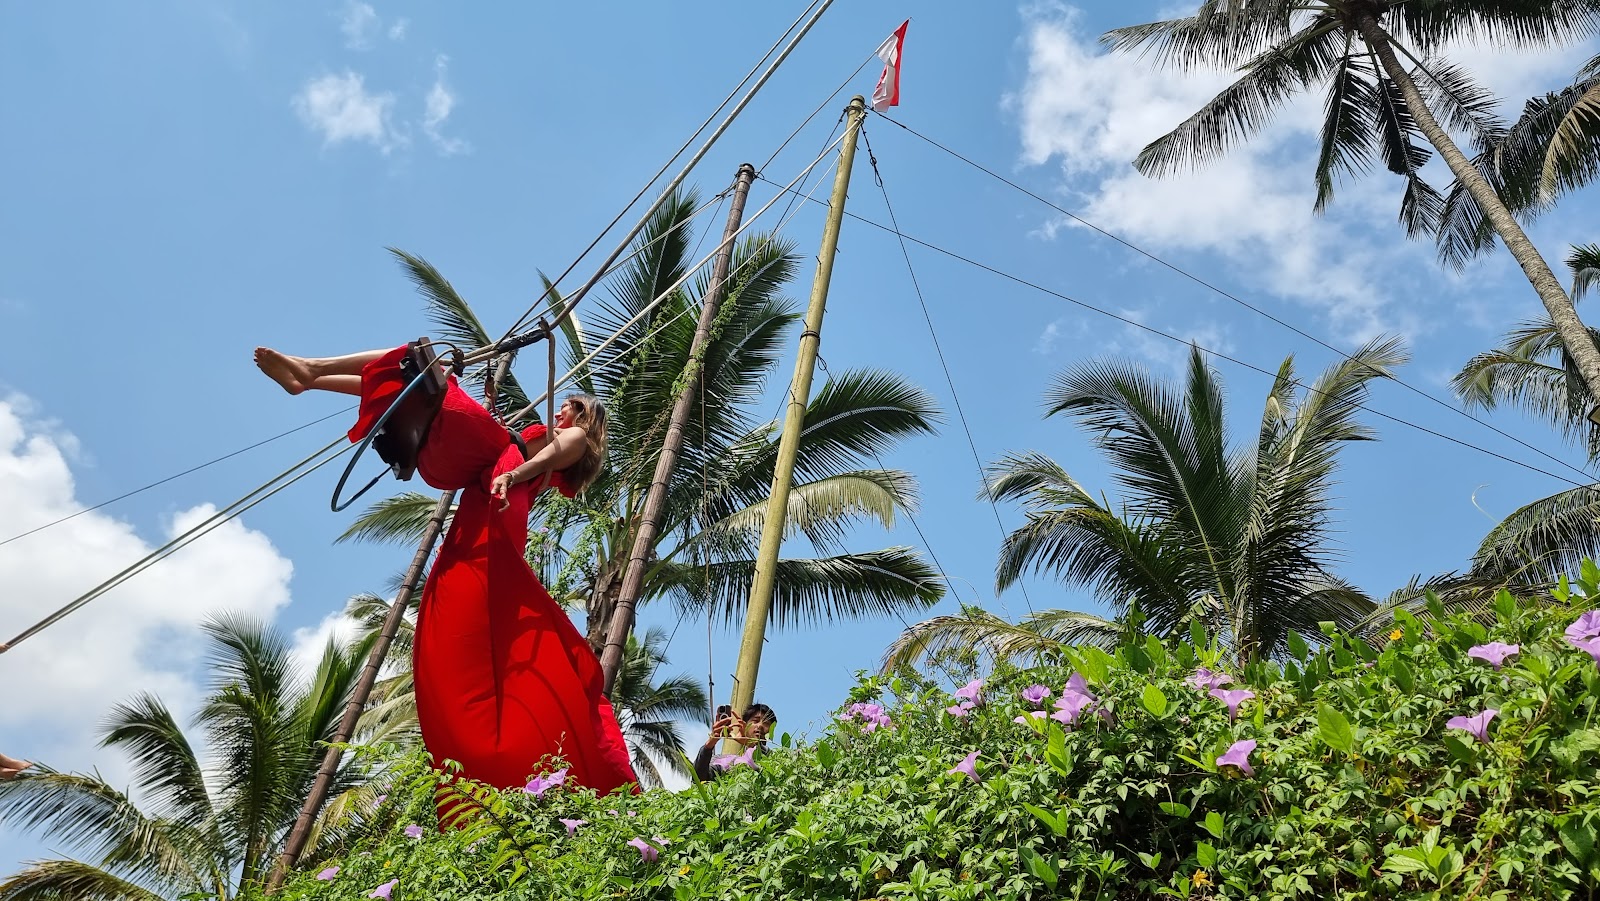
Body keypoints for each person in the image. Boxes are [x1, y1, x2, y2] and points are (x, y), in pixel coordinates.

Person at [255, 343, 639, 798]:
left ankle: (313, 367)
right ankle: (309, 375)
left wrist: (511, 477)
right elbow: (520, 454)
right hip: (480, 481)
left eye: (570, 408)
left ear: (585, 418)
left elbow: (536, 460)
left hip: (493, 487)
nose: (562, 414)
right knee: (412, 382)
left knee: (418, 367)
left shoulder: (577, 439)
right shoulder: (545, 440)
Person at [693, 703, 776, 782]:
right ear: (744, 725)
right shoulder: (722, 760)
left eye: (766, 723)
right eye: (755, 721)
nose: (760, 725)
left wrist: (750, 743)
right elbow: (699, 779)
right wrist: (709, 745)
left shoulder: (776, 760)